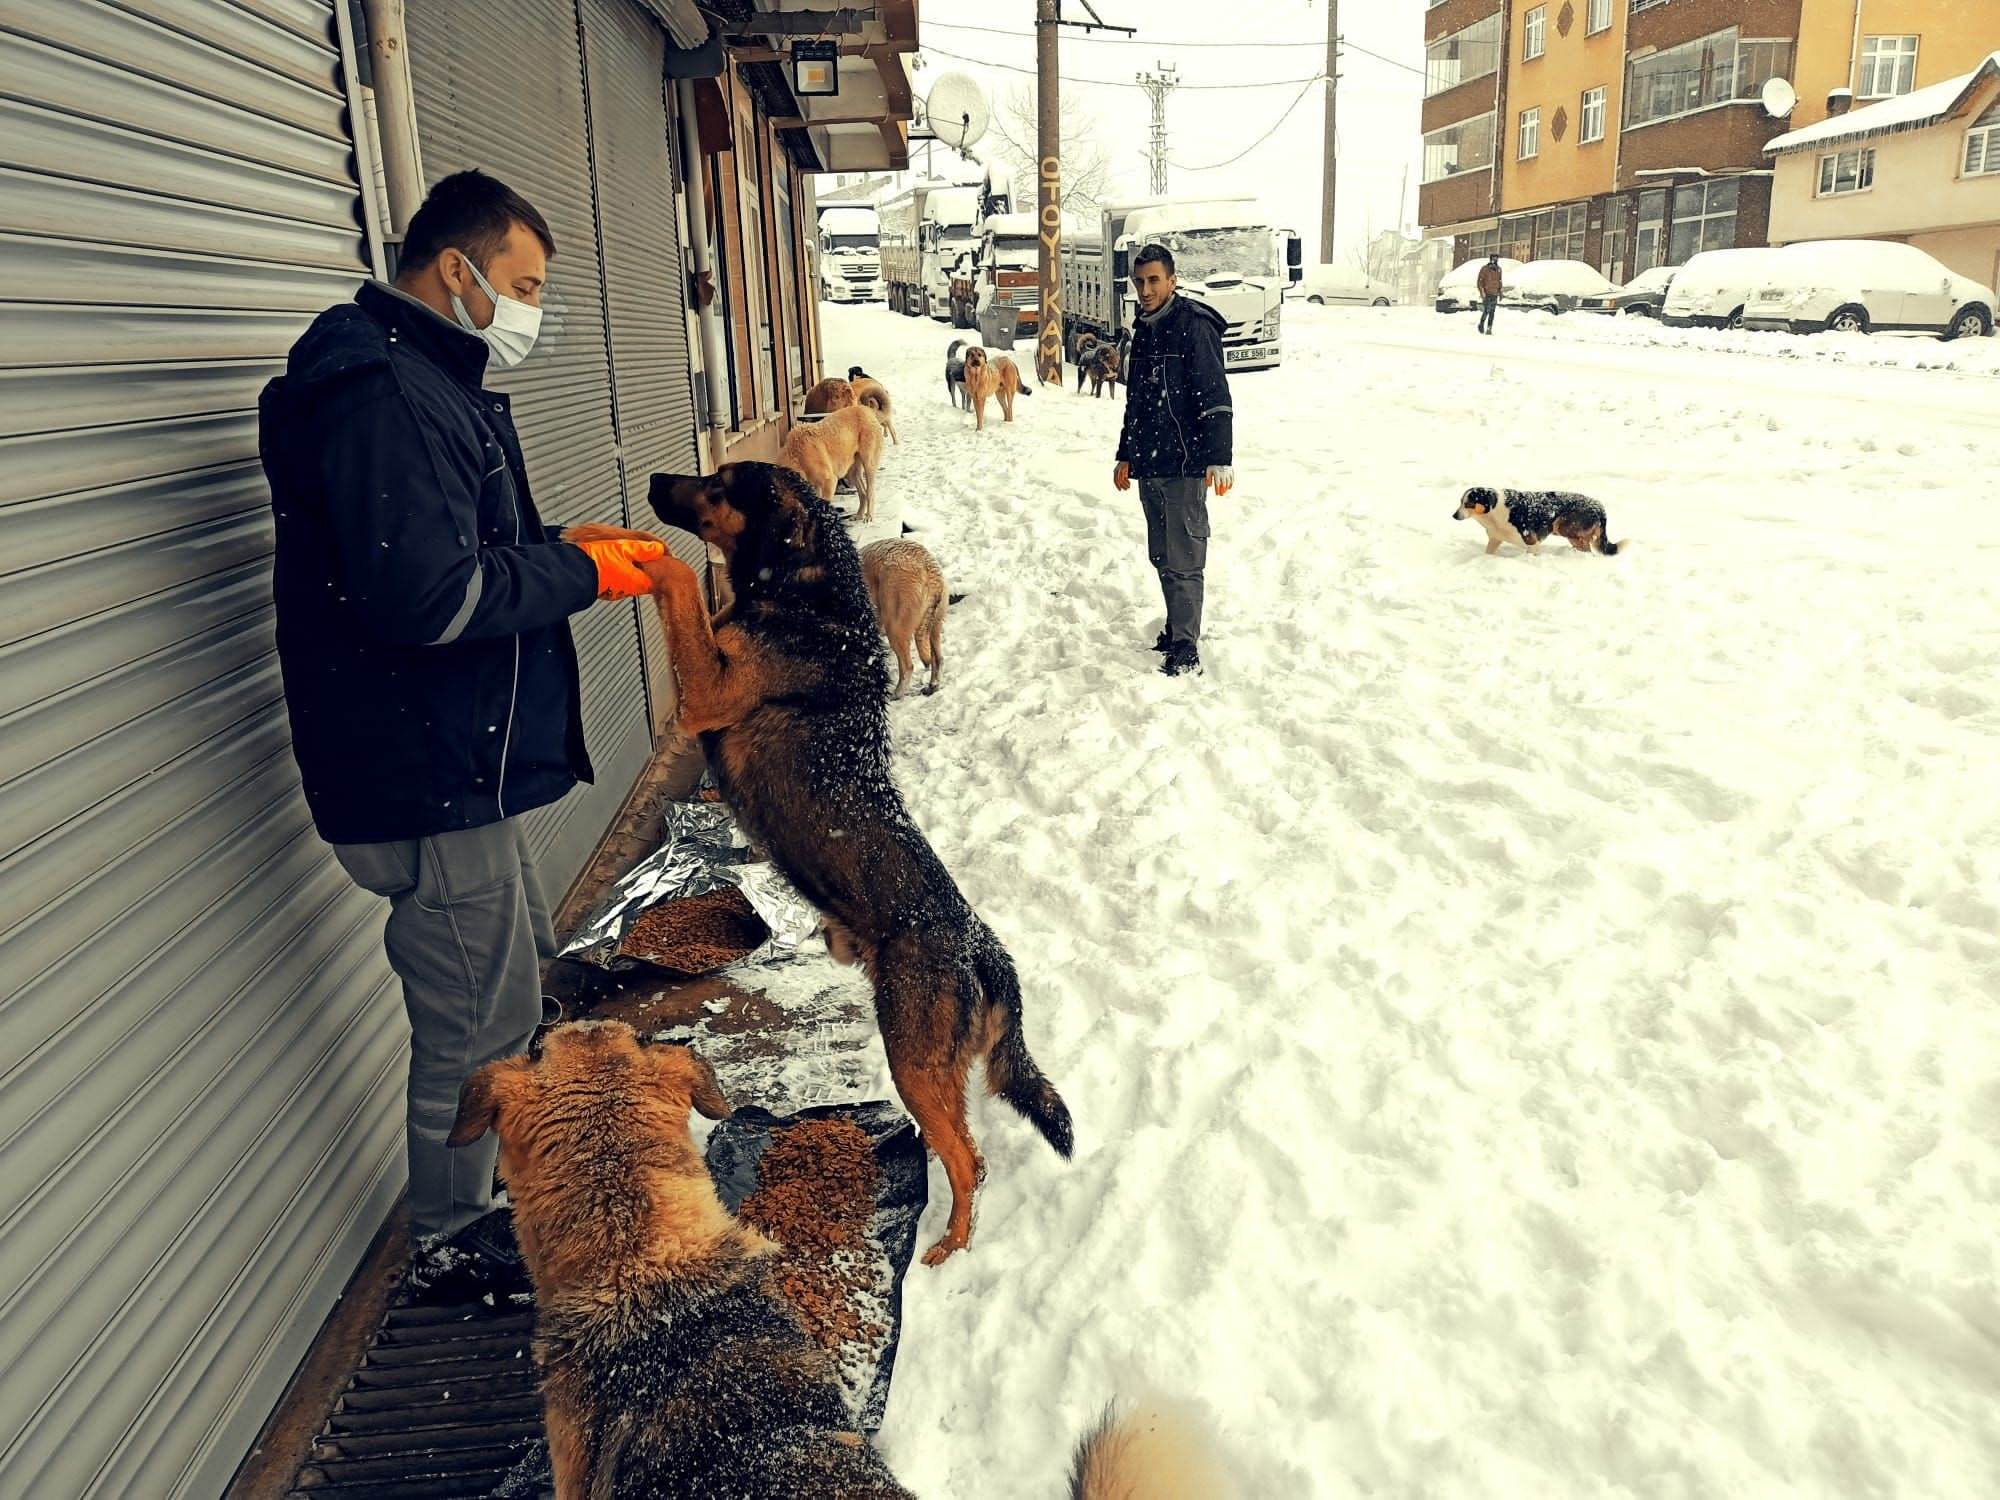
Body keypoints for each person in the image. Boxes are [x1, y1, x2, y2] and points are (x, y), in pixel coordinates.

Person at [258, 170, 666, 1249]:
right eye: (522, 283)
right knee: (473, 1024)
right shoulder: (387, 393)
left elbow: (452, 554)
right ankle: (454, 1231)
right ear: (457, 269)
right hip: (423, 770)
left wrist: (559, 552)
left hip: (448, 758)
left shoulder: (420, 376)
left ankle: (509, 1179)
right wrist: (581, 581)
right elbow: (427, 601)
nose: (531, 306)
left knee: (508, 986)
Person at [1111, 243, 1235, 678]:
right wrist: (1126, 454)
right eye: (1139, 282)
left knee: (1185, 559)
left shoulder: (1193, 326)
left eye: (1153, 281)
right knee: (1162, 554)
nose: (1145, 290)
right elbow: (1136, 401)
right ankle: (1175, 626)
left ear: (1172, 279)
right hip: (1151, 462)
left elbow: (1215, 396)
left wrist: (1219, 458)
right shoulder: (1143, 328)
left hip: (1186, 463)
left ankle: (1186, 646)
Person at [1477, 255, 1503, 335]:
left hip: (1494, 293)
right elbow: (1480, 282)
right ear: (1491, 259)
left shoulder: (1499, 269)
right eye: (1494, 258)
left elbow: (1500, 281)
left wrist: (1500, 292)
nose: (1495, 260)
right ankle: (1481, 324)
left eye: (1497, 258)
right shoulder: (1485, 269)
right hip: (1487, 293)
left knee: (1492, 312)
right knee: (1486, 310)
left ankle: (1489, 328)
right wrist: (1482, 292)